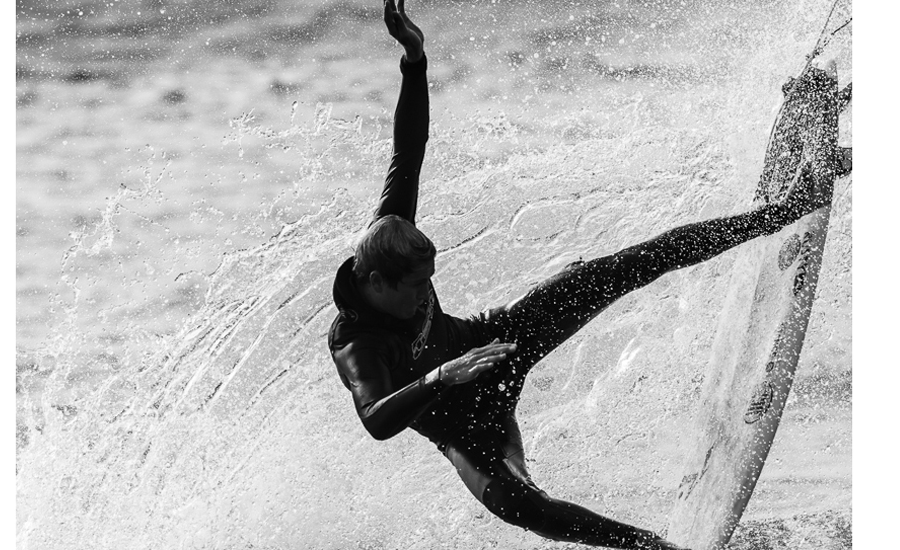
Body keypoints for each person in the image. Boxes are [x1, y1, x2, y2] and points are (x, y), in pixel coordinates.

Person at [328, 2, 831, 548]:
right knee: (520, 506)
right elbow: (377, 420)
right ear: (376, 283)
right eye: (416, 288)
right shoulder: (358, 342)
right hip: (466, 427)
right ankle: (652, 546)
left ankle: (780, 211)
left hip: (492, 343)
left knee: (624, 268)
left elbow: (409, 149)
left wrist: (415, 59)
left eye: (430, 280)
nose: (427, 293)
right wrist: (443, 377)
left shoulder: (391, 235)